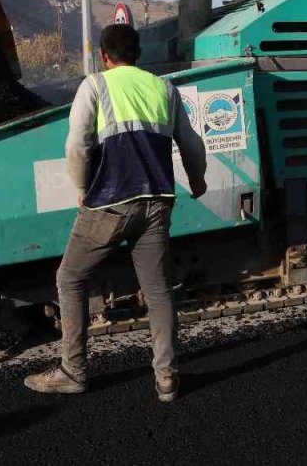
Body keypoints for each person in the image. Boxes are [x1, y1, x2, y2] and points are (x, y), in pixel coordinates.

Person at [25, 23, 207, 402]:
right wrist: (198, 181)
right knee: (158, 290)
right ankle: (167, 378)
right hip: (156, 201)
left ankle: (73, 371)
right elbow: (191, 142)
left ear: (104, 57)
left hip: (110, 202)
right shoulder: (165, 88)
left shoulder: (95, 85)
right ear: (138, 54)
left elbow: (77, 145)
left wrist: (80, 189)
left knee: (70, 278)